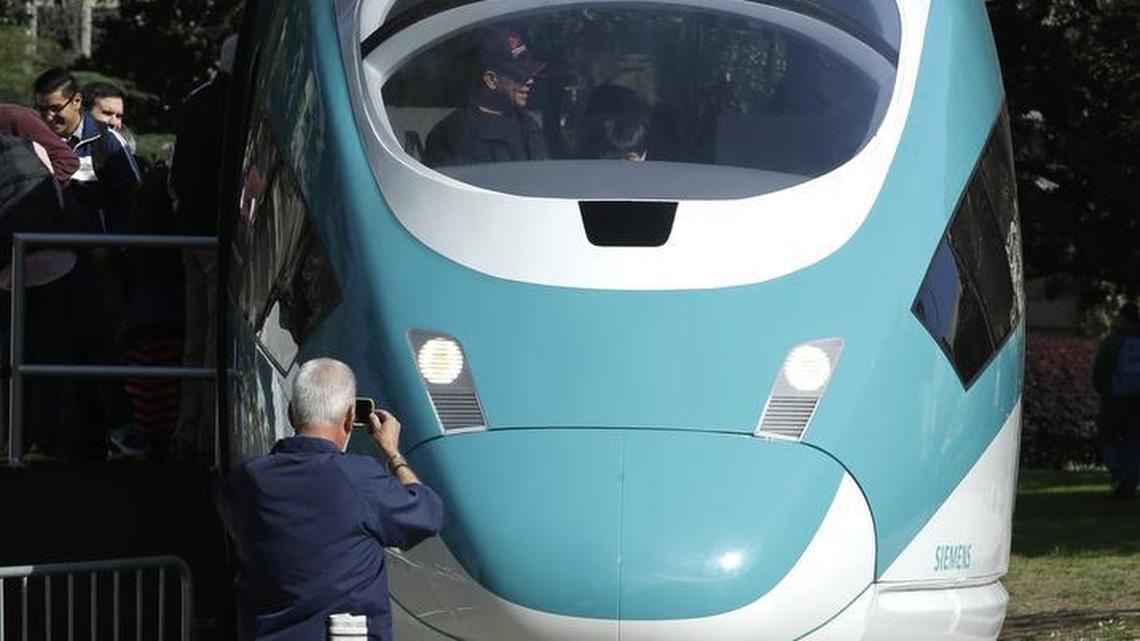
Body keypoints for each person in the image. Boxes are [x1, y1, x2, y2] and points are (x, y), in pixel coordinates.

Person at [218, 358, 444, 640]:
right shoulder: (360, 479)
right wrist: (393, 454)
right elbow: (427, 513)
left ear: (291, 413)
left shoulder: (246, 480)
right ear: (350, 417)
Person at [169, 34, 236, 461]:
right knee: (217, 340)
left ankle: (186, 430)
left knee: (195, 338)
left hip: (189, 234)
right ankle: (211, 436)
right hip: (218, 235)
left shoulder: (195, 102)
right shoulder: (234, 105)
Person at [33, 68, 141, 234]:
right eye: (41, 109)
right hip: (44, 248)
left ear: (76, 101)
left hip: (97, 248)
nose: (48, 116)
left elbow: (133, 198)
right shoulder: (30, 141)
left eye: (55, 108)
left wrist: (112, 243)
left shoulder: (108, 142)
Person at [422, 28, 548, 166]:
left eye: (530, 74)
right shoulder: (453, 133)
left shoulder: (529, 126)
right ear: (491, 80)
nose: (530, 81)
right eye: (519, 75)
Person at [1092, 301, 1140, 499]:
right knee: (1133, 439)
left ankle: (1117, 471)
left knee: (1107, 436)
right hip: (1137, 400)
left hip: (1116, 396)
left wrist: (1102, 389)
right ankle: (1130, 477)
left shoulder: (1113, 340)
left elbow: (1100, 368)